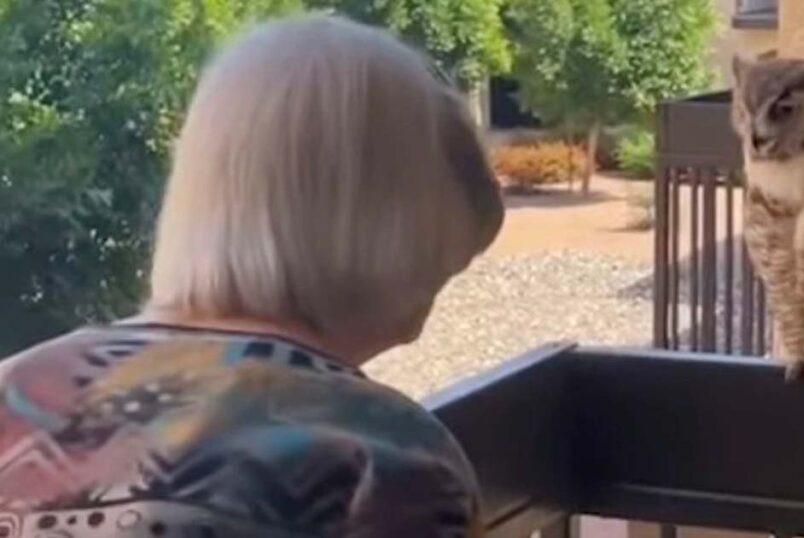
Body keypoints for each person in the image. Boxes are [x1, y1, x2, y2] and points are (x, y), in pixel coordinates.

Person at [0, 14, 503, 538]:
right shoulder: (387, 458)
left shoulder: (16, 392)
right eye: (434, 270)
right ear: (381, 237)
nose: (415, 329)